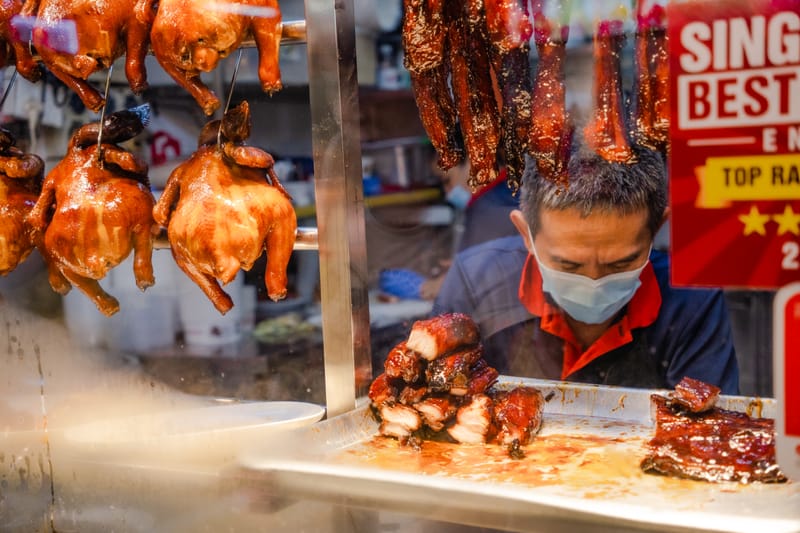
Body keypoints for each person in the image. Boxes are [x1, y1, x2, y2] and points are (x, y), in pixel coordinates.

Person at [432, 141, 739, 394]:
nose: (594, 282)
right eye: (568, 264)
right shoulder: (476, 282)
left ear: (656, 229)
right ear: (526, 235)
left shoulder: (690, 299)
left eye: (621, 263)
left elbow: (709, 430)